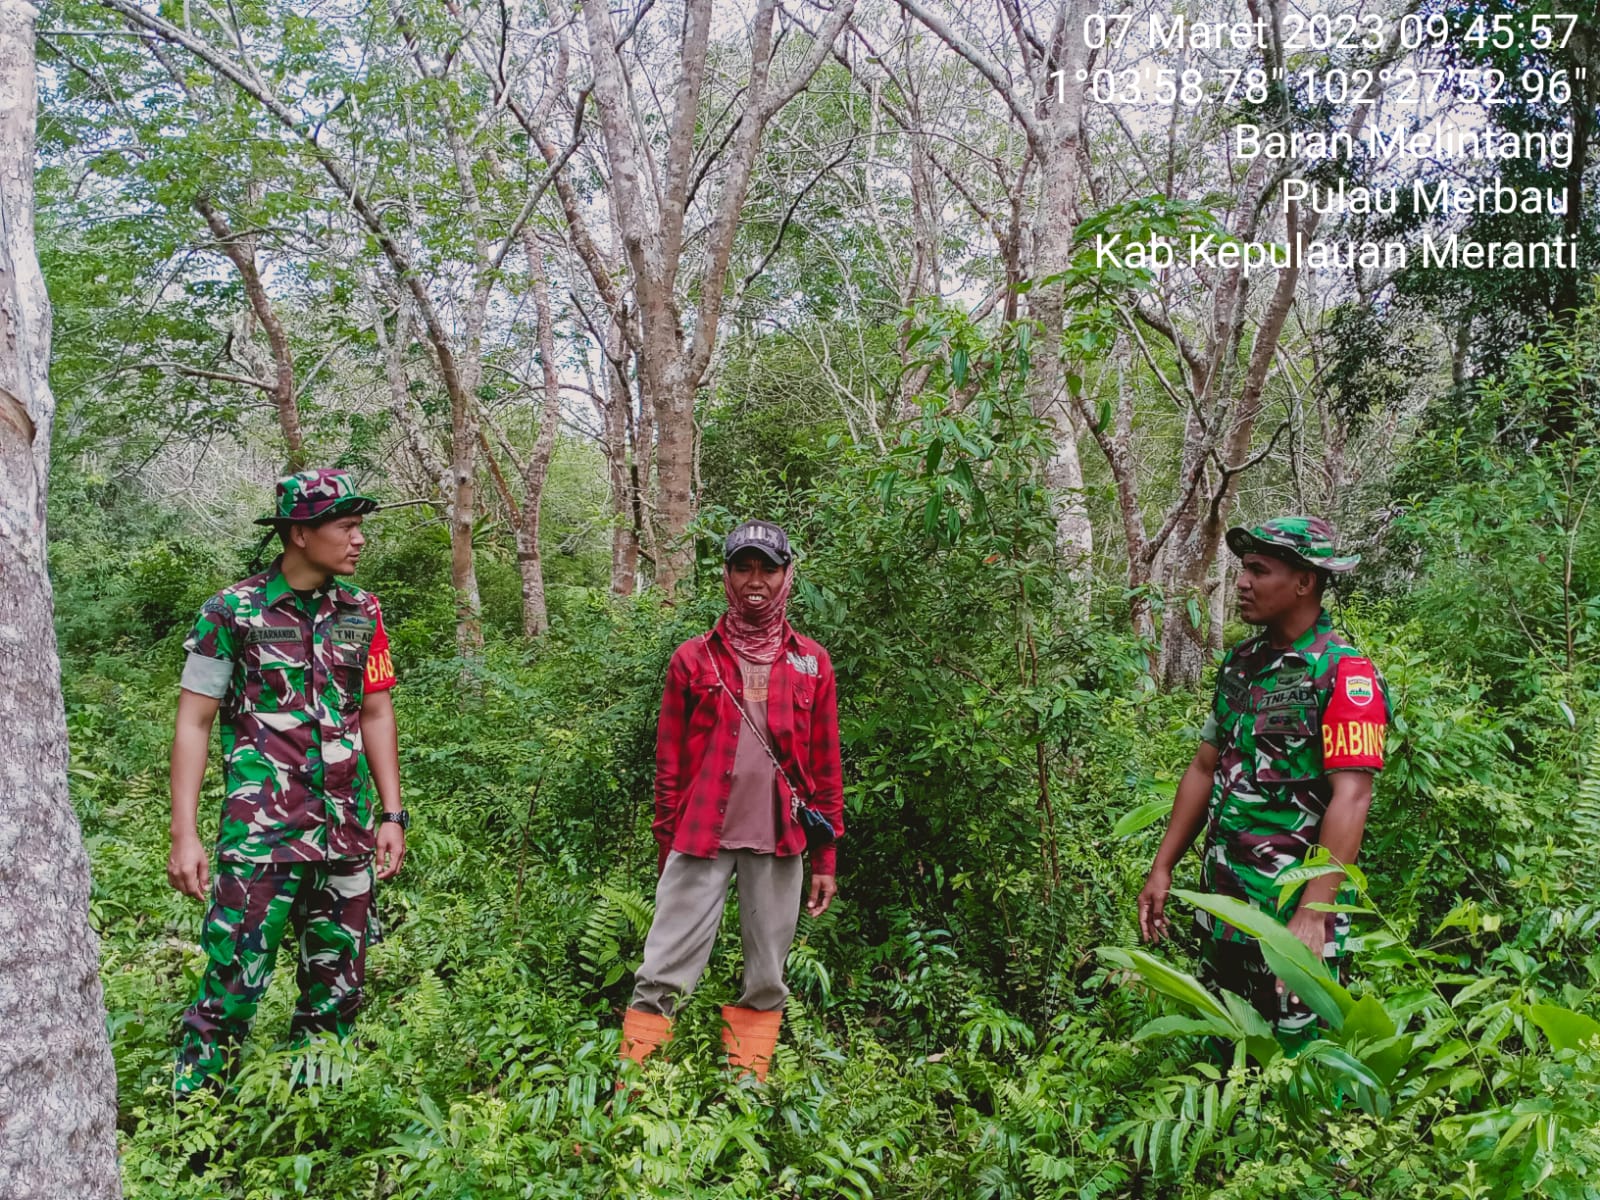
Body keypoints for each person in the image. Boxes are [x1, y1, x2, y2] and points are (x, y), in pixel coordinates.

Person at [169, 469, 408, 1094]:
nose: (359, 540)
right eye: (346, 526)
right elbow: (193, 723)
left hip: (345, 835)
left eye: (360, 527)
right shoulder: (230, 611)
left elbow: (376, 711)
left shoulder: (364, 611)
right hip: (261, 839)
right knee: (229, 993)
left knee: (336, 994)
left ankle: (313, 1121)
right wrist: (184, 834)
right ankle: (192, 1134)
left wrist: (392, 814)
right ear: (300, 533)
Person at [1137, 517, 1389, 1050]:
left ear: (1305, 582)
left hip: (1290, 919)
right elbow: (1204, 769)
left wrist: (1312, 916)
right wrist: (1163, 867)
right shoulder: (1241, 664)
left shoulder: (1346, 674)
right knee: (1225, 1062)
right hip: (1225, 910)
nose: (1243, 582)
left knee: (1298, 1076)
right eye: (1243, 569)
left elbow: (1353, 795)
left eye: (1258, 570)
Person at [619, 520, 843, 1082]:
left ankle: (747, 1090)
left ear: (788, 575)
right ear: (725, 575)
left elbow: (824, 767)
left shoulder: (810, 661)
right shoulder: (693, 659)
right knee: (663, 968)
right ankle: (638, 1092)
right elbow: (668, 767)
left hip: (780, 840)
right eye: (743, 566)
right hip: (700, 838)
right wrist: (667, 845)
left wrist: (826, 859)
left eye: (768, 568)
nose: (755, 580)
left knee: (767, 976)